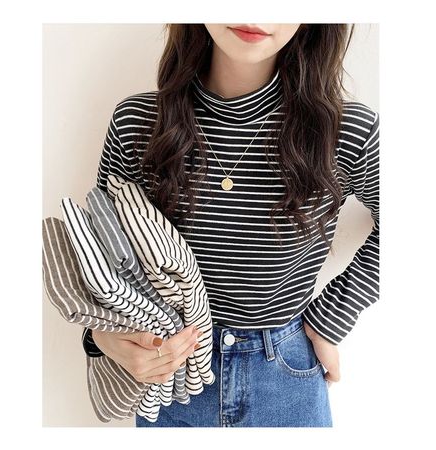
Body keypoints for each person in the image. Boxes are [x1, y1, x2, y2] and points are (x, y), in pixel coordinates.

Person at [83, 23, 379, 427]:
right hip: (170, 379)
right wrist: (101, 338)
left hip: (285, 380)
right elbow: (99, 256)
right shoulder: (138, 123)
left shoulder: (344, 131)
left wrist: (331, 318)